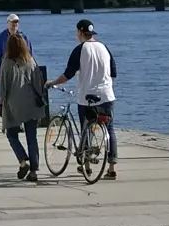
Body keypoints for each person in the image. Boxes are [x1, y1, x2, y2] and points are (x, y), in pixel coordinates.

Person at [45, 19, 118, 179]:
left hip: (87, 97)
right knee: (110, 129)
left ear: (79, 32)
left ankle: (87, 166)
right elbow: (113, 73)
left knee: (86, 128)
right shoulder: (104, 48)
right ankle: (111, 168)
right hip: (107, 95)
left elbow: (67, 75)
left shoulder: (80, 50)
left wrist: (52, 83)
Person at [0, 32, 48, 182]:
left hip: (14, 106)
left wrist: (0, 105)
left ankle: (22, 160)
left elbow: (2, 89)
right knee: (31, 137)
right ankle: (33, 171)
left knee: (11, 134)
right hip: (31, 105)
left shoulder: (6, 63)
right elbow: (39, 84)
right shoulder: (30, 61)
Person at [0, 14, 30, 88]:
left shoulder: (24, 37)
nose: (15, 24)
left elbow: (30, 54)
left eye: (16, 22)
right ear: (8, 23)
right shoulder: (0, 38)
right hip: (6, 70)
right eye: (13, 22)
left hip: (21, 69)